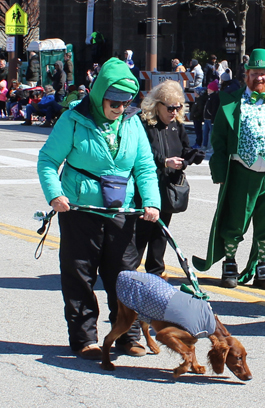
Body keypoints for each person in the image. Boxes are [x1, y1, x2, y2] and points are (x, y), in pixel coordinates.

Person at [37, 57, 161, 360]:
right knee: (79, 275)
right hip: (79, 210)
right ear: (99, 93)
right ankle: (84, 338)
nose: (119, 109)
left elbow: (144, 167)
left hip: (122, 211)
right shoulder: (73, 119)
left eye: (125, 103)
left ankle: (128, 336)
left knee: (125, 276)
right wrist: (55, 195)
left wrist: (151, 201)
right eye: (114, 103)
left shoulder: (132, 122)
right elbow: (48, 161)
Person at [192, 48, 265, 290]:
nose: (259, 78)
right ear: (246, 75)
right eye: (255, 73)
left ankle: (262, 267)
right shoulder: (231, 102)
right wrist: (218, 173)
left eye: (264, 74)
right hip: (240, 173)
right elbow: (218, 140)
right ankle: (230, 263)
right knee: (235, 220)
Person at [135, 80, 205, 276]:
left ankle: (155, 271)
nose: (174, 112)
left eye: (178, 107)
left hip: (169, 186)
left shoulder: (176, 125)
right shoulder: (145, 124)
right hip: (147, 185)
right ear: (157, 105)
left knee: (161, 231)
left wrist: (191, 156)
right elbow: (141, 154)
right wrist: (164, 161)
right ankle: (128, 270)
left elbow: (184, 148)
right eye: (170, 108)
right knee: (141, 231)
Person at [202, 79, 220, 151]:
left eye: (209, 89)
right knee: (205, 133)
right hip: (206, 118)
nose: (207, 90)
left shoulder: (214, 98)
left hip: (210, 119)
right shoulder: (209, 97)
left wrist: (213, 119)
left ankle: (212, 147)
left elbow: (214, 109)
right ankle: (204, 145)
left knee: (212, 134)